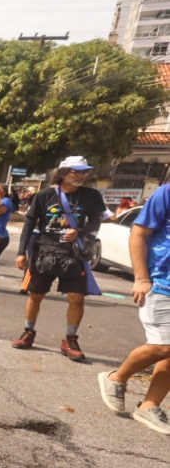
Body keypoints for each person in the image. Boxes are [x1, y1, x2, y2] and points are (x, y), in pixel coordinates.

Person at [12, 156, 106, 360]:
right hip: (45, 251)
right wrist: (21, 253)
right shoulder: (44, 195)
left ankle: (70, 339)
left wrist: (78, 233)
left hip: (73, 254)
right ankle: (28, 332)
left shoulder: (92, 196)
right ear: (63, 173)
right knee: (35, 296)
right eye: (77, 172)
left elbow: (95, 224)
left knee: (76, 298)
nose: (82, 176)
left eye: (84, 172)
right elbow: (29, 224)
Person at [99, 182, 170, 434]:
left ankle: (149, 406)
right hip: (162, 282)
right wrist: (141, 278)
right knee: (163, 346)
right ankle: (116, 378)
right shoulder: (166, 192)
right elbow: (138, 233)